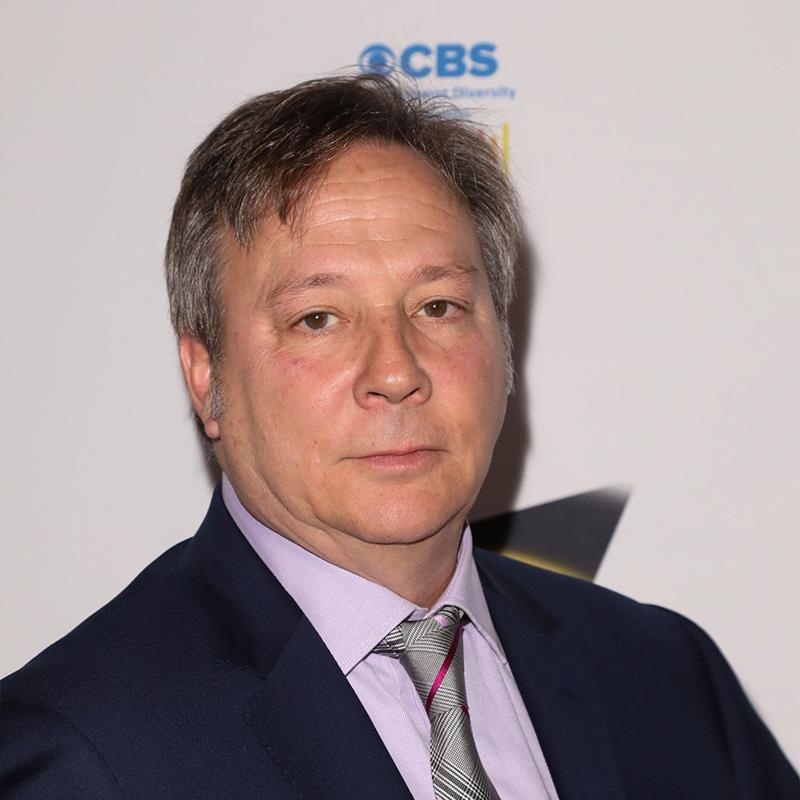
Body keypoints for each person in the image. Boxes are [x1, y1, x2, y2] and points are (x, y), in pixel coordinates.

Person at [1, 74, 797, 800]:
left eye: (437, 307)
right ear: (206, 375)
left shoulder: (666, 676)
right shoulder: (79, 753)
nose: (395, 371)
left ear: (504, 342)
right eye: (319, 319)